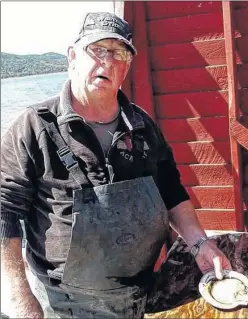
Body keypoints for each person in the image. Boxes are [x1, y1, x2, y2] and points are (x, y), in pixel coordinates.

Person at [1, 12, 231, 319]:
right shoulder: (33, 127)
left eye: (119, 52)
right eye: (97, 50)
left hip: (140, 294)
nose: (108, 61)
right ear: (72, 56)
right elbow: (5, 213)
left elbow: (171, 191)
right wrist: (18, 297)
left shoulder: (142, 125)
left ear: (127, 67)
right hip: (63, 303)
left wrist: (201, 243)